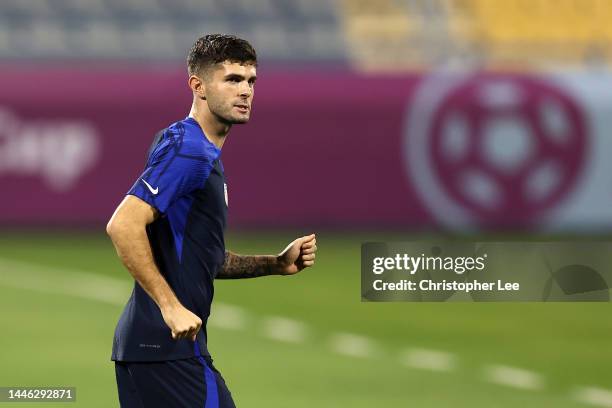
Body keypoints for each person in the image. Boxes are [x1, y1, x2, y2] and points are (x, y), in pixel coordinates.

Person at [106, 34, 317, 408]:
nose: (246, 91)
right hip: (169, 351)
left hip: (147, 350)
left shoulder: (185, 145)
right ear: (198, 86)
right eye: (232, 79)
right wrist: (170, 308)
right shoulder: (191, 151)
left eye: (251, 81)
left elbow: (206, 258)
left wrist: (276, 263)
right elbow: (123, 225)